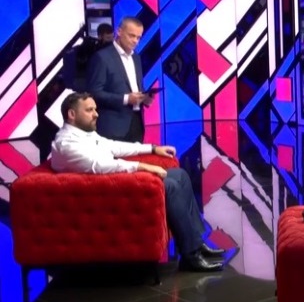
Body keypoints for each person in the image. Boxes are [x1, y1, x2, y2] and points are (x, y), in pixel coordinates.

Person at [50, 92, 225, 272]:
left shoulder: (85, 134)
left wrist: (152, 148)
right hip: (104, 195)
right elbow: (101, 166)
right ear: (72, 114)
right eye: (89, 110)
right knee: (170, 186)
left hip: (111, 182)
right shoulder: (66, 144)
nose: (96, 114)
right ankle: (191, 255)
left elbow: (113, 146)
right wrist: (144, 167)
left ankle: (196, 242)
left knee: (180, 175)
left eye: (95, 109)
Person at [87, 17, 153, 143]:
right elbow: (94, 93)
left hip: (137, 123)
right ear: (119, 31)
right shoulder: (102, 57)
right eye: (131, 36)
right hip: (112, 126)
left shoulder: (136, 58)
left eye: (138, 37)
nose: (135, 41)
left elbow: (136, 87)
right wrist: (126, 99)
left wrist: (145, 98)